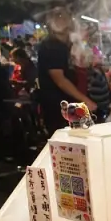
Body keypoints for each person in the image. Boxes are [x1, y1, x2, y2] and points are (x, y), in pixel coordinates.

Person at [38, 7, 97, 135]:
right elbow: (60, 80)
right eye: (58, 16)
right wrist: (85, 100)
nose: (63, 19)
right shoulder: (52, 46)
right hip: (59, 108)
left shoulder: (64, 45)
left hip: (69, 106)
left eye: (64, 15)